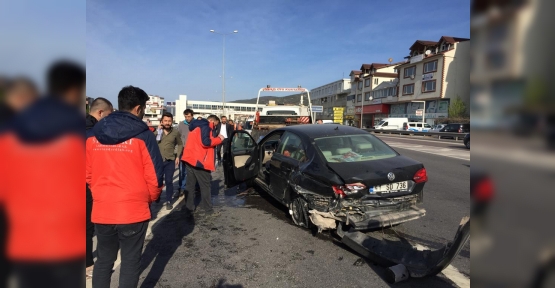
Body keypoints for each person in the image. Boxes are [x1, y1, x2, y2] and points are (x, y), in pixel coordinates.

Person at [0, 60, 85, 288]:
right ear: (75, 89)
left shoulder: (11, 128)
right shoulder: (75, 129)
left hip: (25, 240)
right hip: (65, 239)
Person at [86, 85, 163, 288]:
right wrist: (149, 199)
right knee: (130, 262)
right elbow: (155, 177)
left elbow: (88, 174)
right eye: (145, 107)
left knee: (103, 261)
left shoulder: (94, 134)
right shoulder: (144, 135)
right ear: (138, 108)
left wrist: (101, 195)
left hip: (103, 209)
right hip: (133, 210)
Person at [85, 97, 113, 280]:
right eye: (108, 116)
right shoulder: (94, 133)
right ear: (100, 112)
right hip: (85, 184)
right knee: (87, 226)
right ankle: (88, 263)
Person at [182, 115, 224, 217]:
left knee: (190, 185)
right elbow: (206, 142)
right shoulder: (206, 126)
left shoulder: (195, 126)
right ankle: (208, 210)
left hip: (189, 158)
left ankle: (189, 207)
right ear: (212, 121)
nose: (214, 127)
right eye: (215, 125)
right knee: (205, 186)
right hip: (200, 161)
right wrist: (219, 139)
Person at [154, 112, 183, 210]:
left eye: (169, 121)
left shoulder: (175, 132)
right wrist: (158, 131)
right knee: (158, 181)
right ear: (161, 121)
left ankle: (169, 200)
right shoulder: (157, 131)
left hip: (170, 160)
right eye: (165, 121)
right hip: (158, 161)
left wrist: (178, 156)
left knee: (169, 181)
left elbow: (180, 144)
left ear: (172, 121)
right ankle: (157, 195)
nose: (167, 123)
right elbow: (152, 142)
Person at [177, 109, 194, 197]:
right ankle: (182, 188)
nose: (187, 118)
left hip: (193, 152)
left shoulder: (196, 124)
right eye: (186, 116)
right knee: (182, 170)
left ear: (192, 115)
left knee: (193, 171)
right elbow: (178, 137)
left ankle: (193, 187)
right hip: (183, 151)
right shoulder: (181, 124)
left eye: (189, 116)